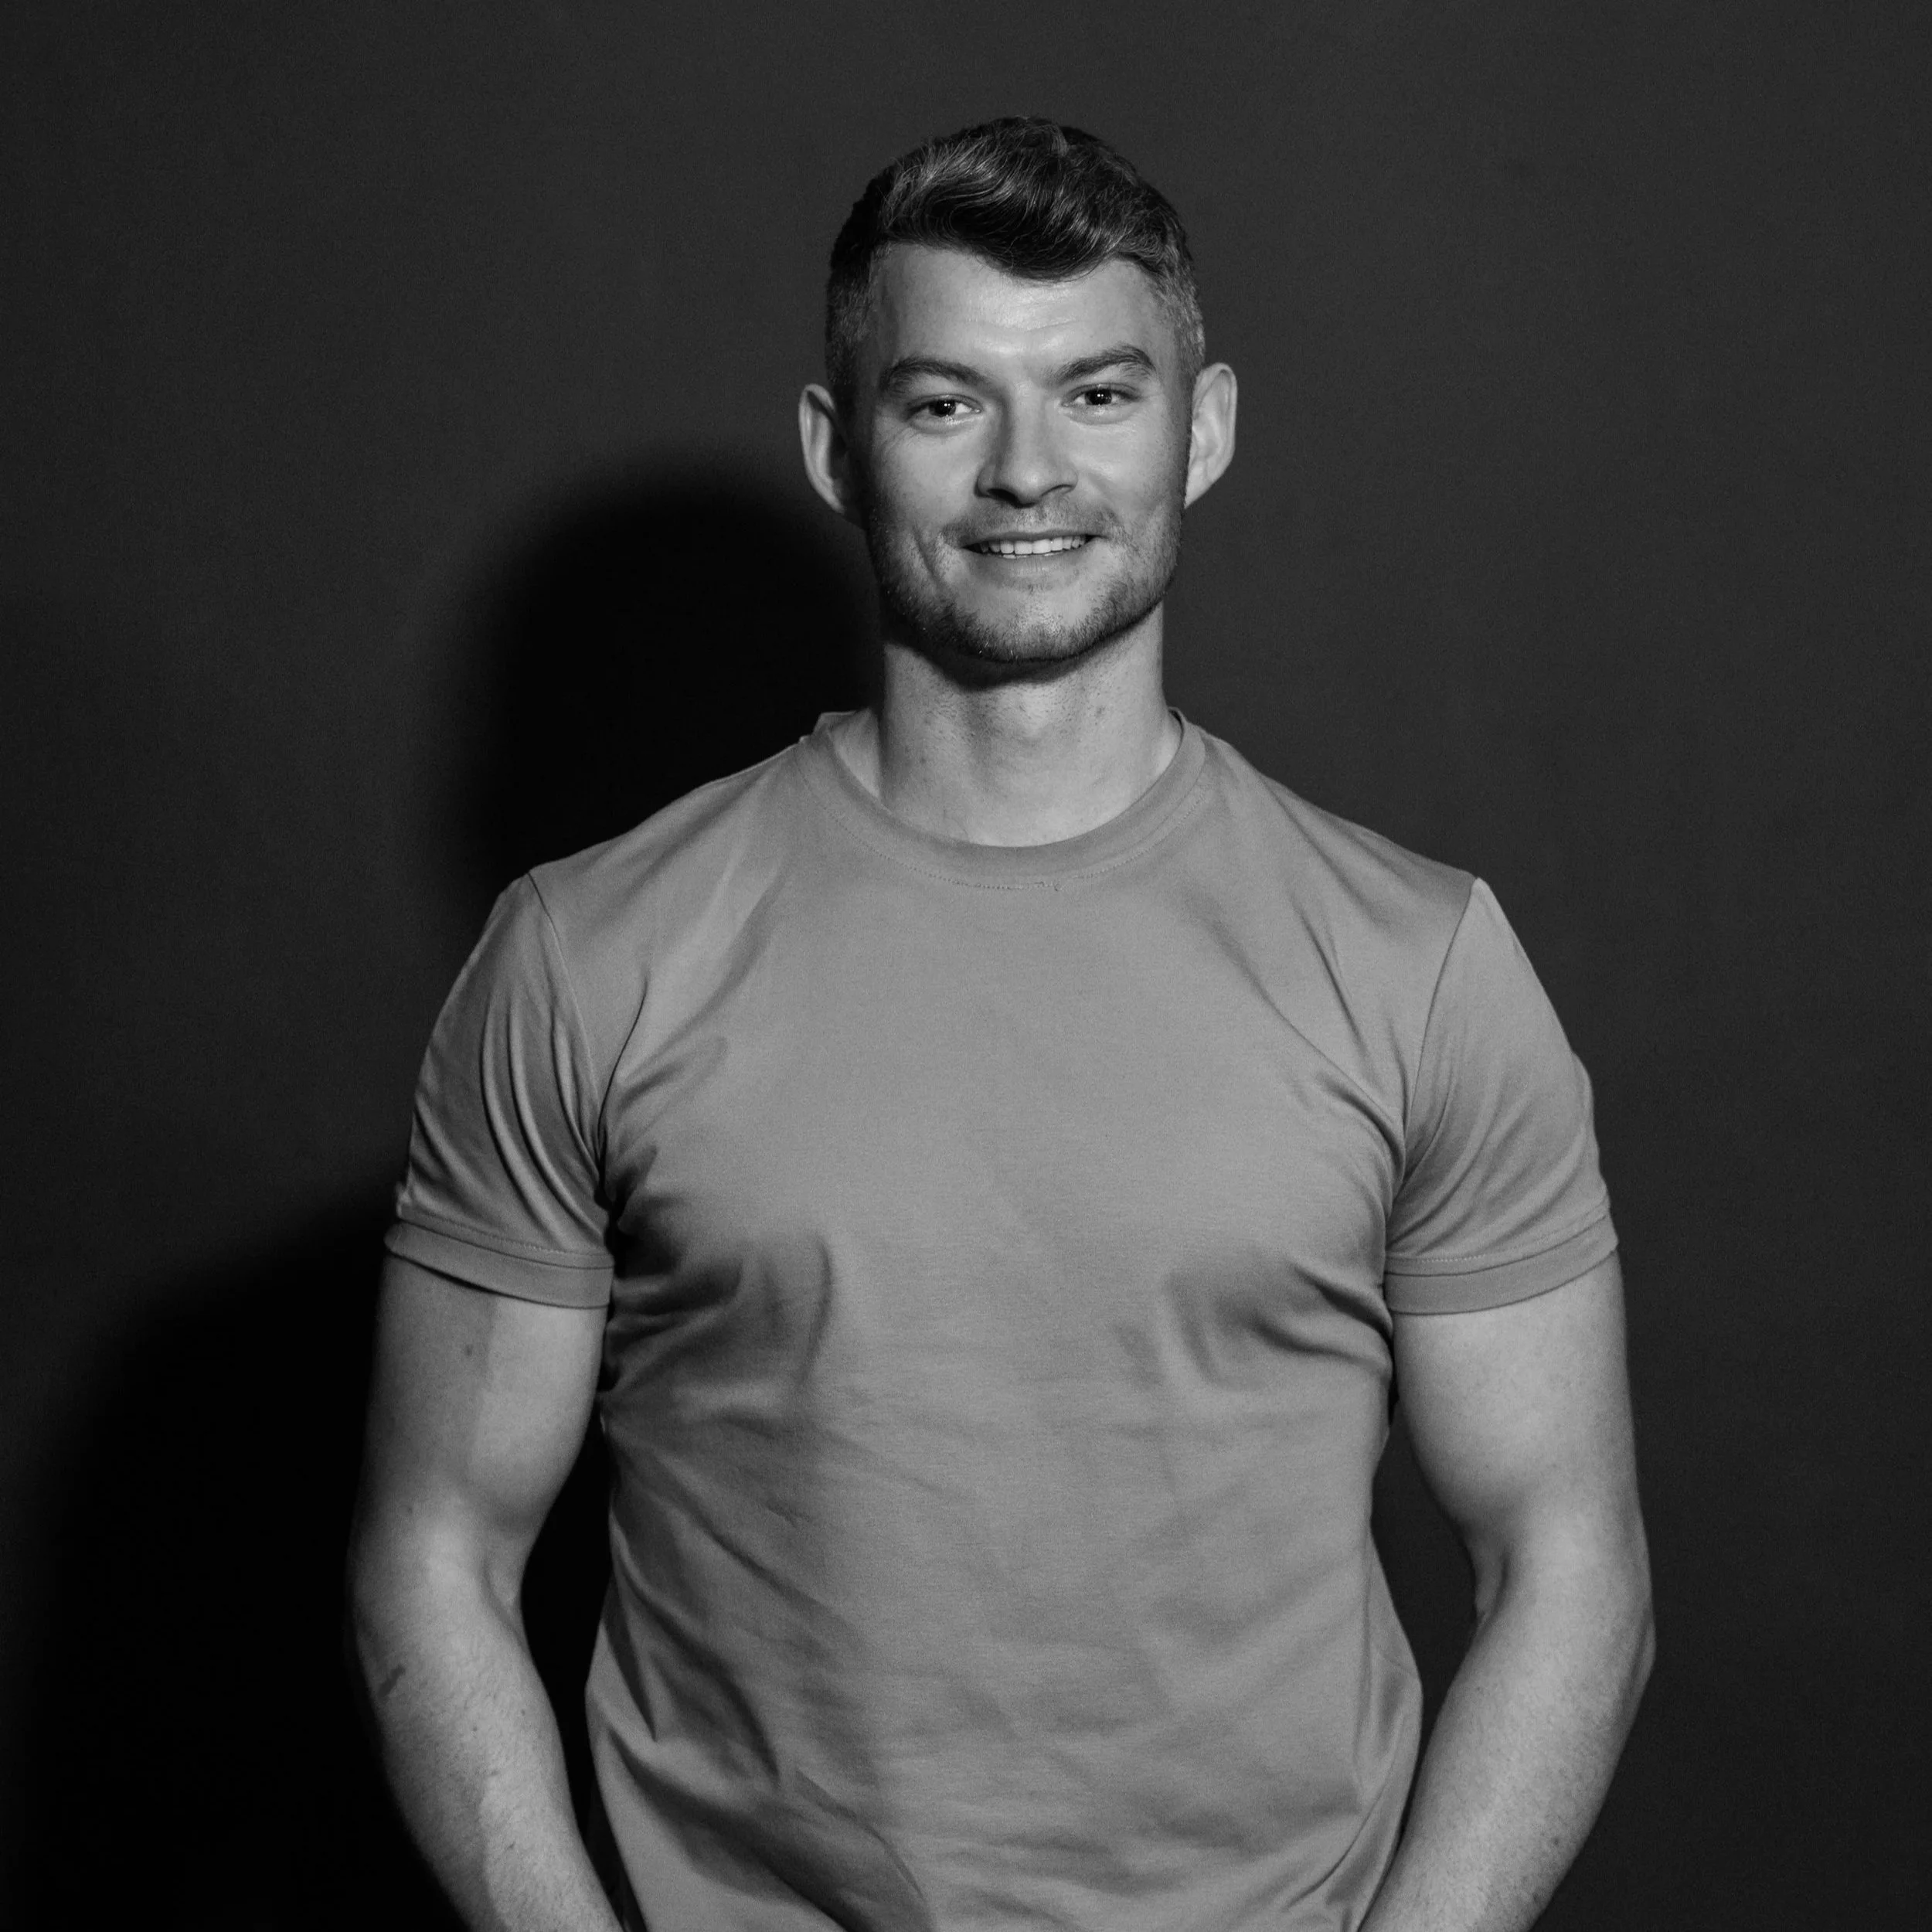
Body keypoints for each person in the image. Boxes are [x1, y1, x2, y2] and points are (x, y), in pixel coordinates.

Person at [349, 117, 1653, 1932]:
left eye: (1099, 393)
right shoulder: (588, 953)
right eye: (946, 403)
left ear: (1198, 431)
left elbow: (1565, 1557)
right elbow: (439, 1551)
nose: (1029, 471)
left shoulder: (1416, 959)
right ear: (839, 446)